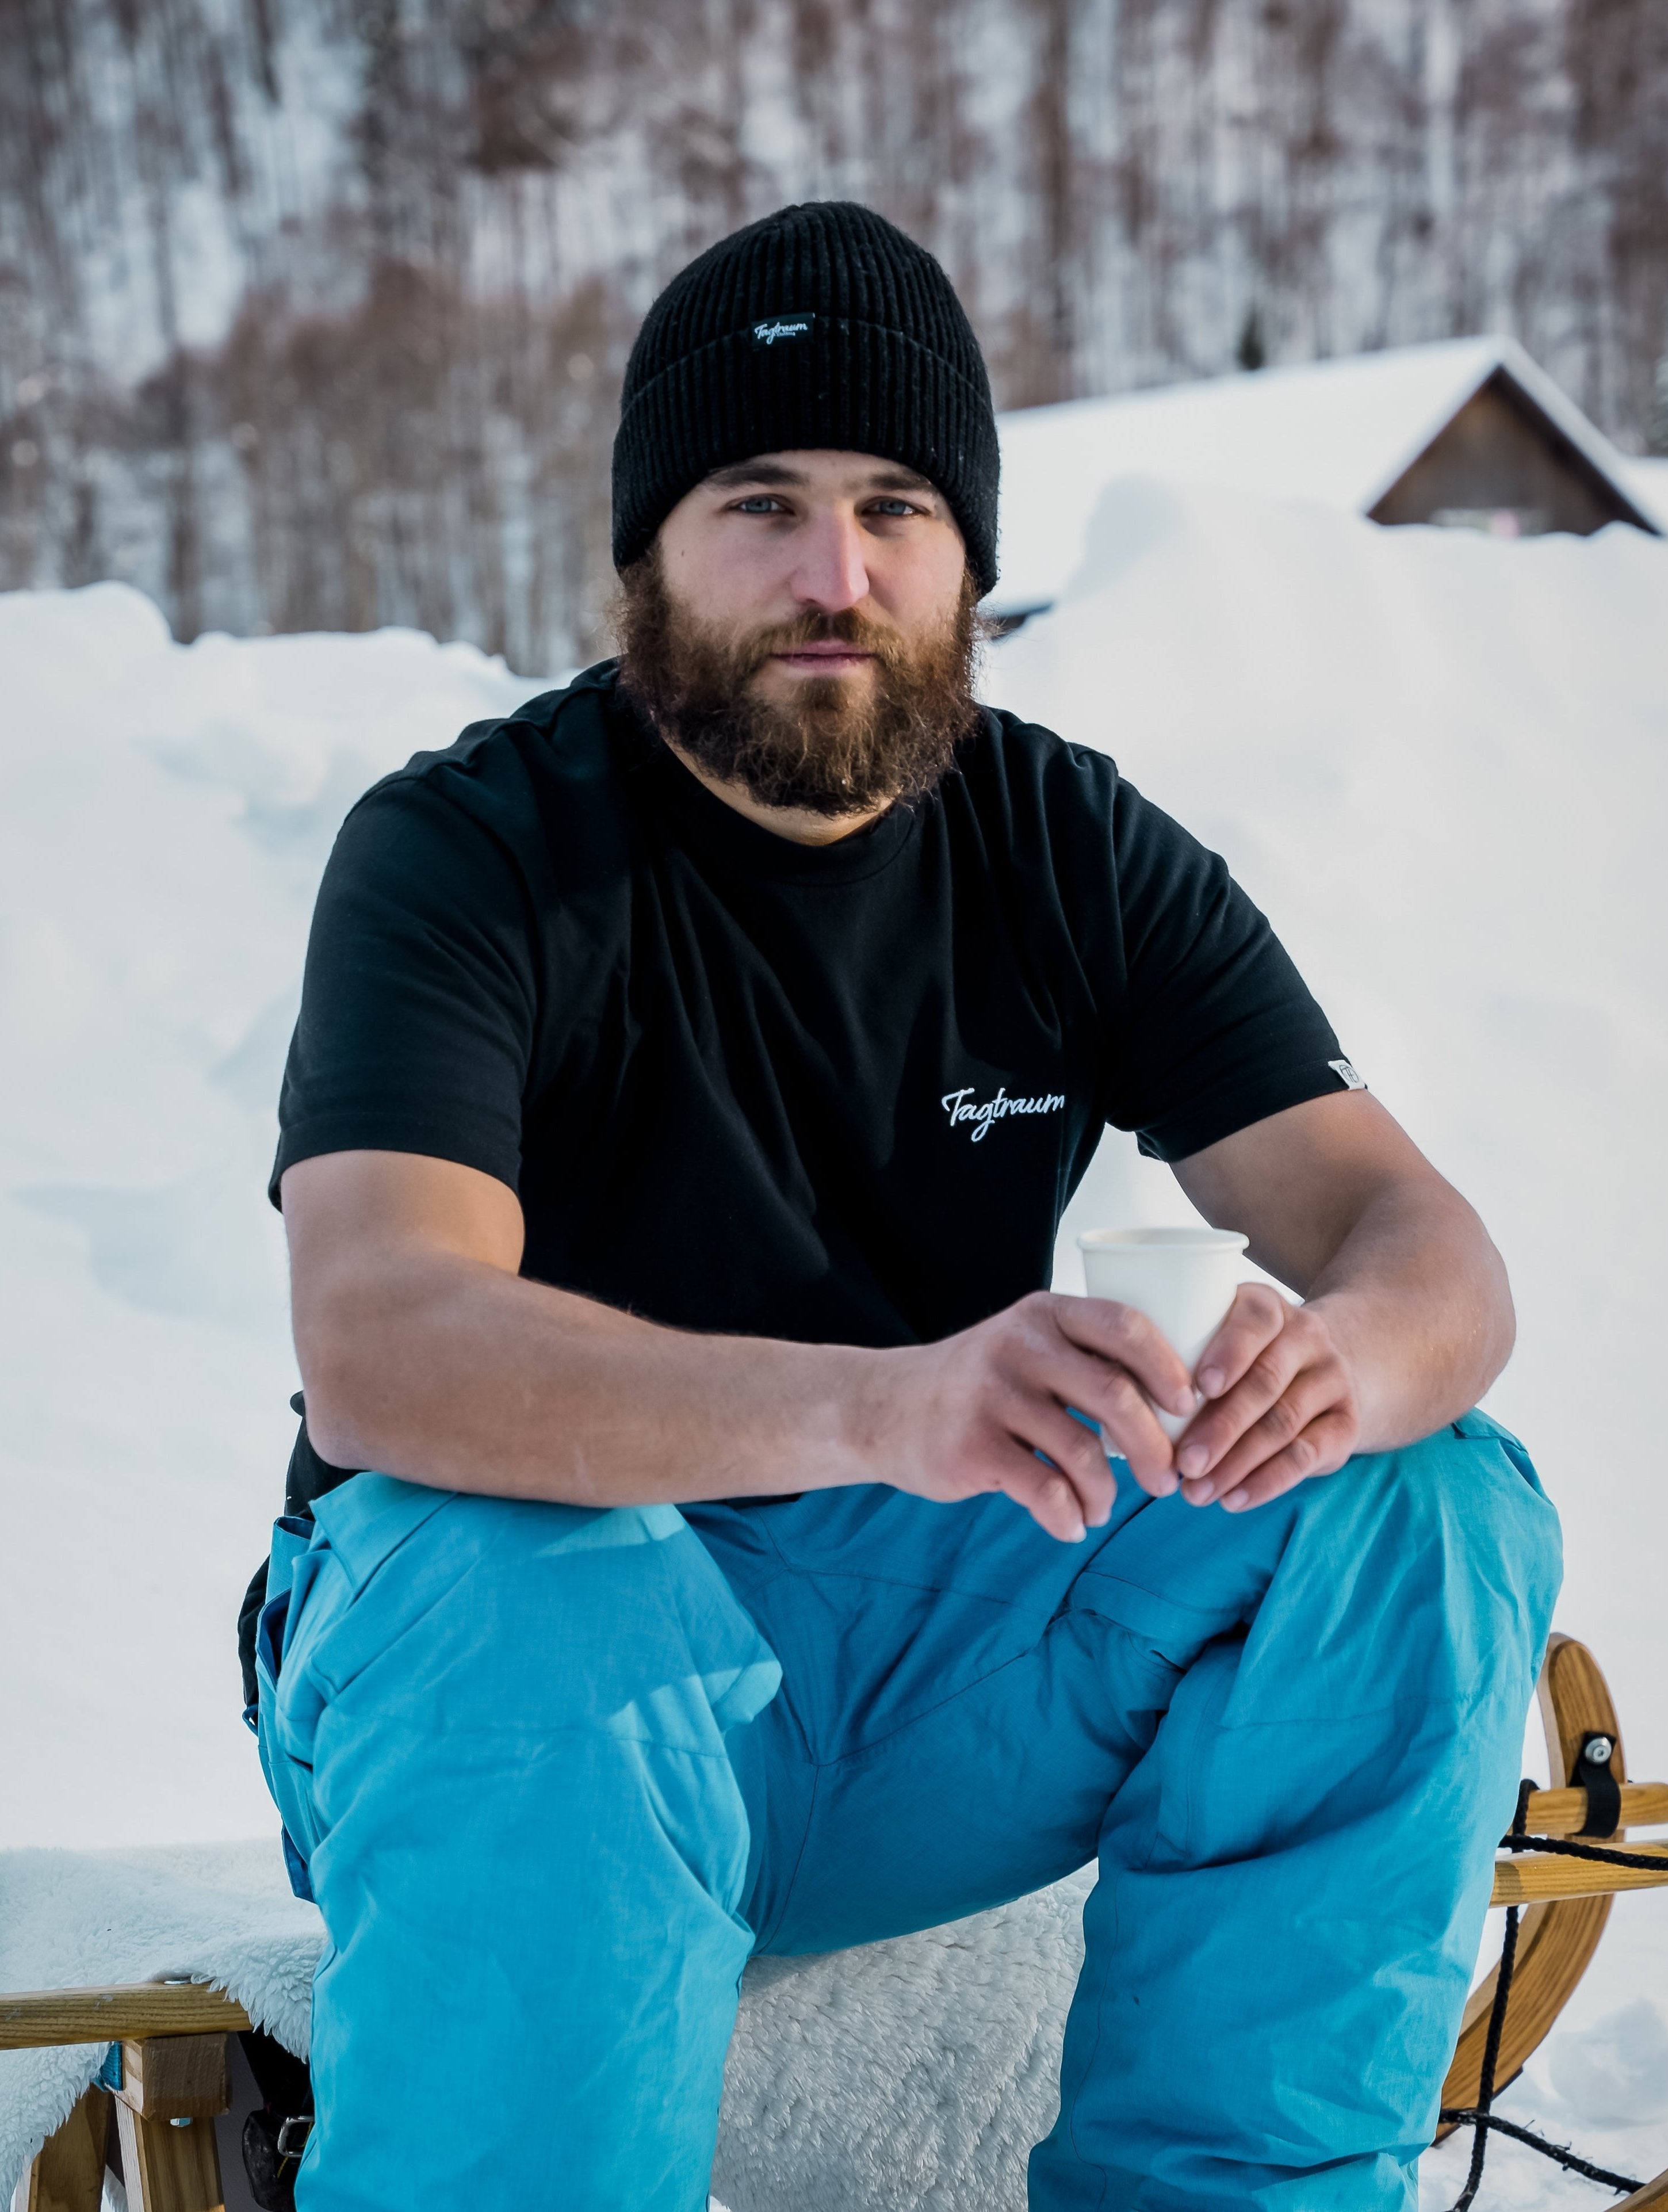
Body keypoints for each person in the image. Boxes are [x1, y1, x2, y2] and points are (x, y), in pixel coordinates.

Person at [243, 200, 1561, 2212]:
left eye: (895, 507)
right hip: (501, 1692)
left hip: (921, 1677)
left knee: (1414, 1503)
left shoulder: (1070, 845)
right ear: (646, 555)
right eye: (757, 501)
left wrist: (1335, 1373)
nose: (832, 572)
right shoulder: (470, 853)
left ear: (968, 562)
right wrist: (877, 1405)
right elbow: (386, 1348)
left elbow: (1418, 1245)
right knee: (547, 1588)